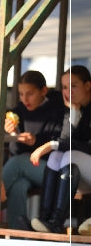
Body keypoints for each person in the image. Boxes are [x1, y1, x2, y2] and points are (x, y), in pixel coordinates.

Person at [29, 65, 91, 233]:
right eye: (64, 87)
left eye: (73, 85)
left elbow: (84, 146)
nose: (68, 91)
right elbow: (66, 139)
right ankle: (47, 218)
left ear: (88, 85)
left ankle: (56, 221)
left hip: (84, 168)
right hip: (79, 174)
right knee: (57, 156)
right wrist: (73, 113)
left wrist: (50, 145)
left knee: (67, 155)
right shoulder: (74, 108)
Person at [2, 70, 65, 231]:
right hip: (28, 168)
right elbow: (16, 151)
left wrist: (36, 141)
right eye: (21, 94)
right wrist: (14, 134)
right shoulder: (18, 112)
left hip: (53, 171)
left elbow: (60, 144)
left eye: (29, 94)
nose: (24, 99)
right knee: (18, 186)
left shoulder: (58, 110)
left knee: (17, 163)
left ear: (43, 91)